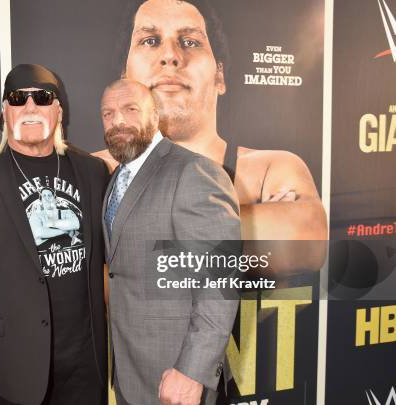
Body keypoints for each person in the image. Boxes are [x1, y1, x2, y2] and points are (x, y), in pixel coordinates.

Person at [94, 0, 327, 274]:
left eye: (190, 41)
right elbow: (93, 287)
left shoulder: (269, 169)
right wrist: (251, 229)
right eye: (150, 40)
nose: (170, 56)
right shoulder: (94, 172)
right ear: (125, 76)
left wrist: (130, 236)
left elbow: (305, 242)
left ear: (220, 76)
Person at [0, 64, 108, 405]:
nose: (30, 107)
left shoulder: (92, 171)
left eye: (42, 98)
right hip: (10, 370)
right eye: (17, 99)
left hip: (86, 369)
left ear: (58, 110)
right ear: (5, 112)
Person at [101, 78, 240, 405]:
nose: (117, 121)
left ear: (155, 115)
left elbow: (219, 281)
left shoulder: (193, 171)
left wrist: (193, 371)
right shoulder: (115, 178)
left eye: (130, 109)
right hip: (130, 371)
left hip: (178, 375)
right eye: (107, 114)